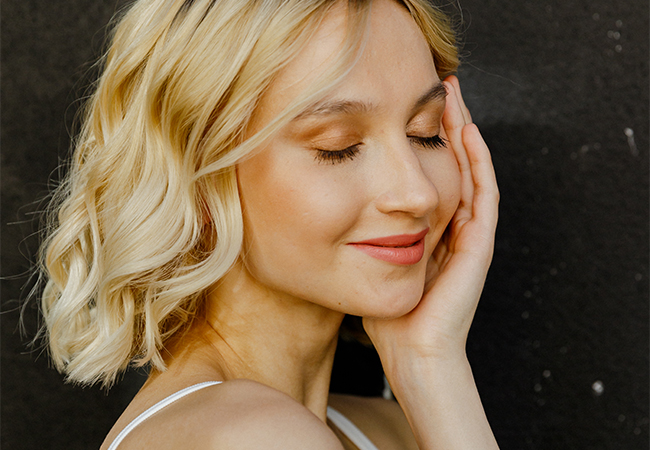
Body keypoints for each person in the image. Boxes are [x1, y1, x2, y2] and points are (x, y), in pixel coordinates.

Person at [39, 0, 500, 448]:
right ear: (197, 178)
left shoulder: (390, 429)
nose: (419, 194)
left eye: (426, 132)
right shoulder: (250, 435)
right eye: (338, 147)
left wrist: (429, 362)